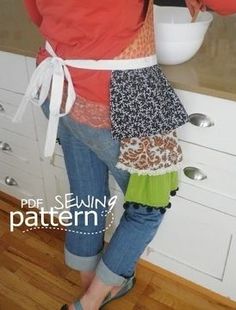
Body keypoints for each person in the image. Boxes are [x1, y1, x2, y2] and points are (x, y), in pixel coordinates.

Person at [14, 1, 236, 310]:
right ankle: (91, 301)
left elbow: (37, 13)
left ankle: (89, 283)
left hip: (59, 86)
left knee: (86, 195)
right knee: (149, 203)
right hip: (113, 95)